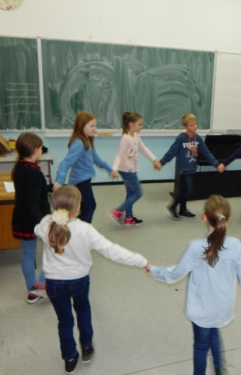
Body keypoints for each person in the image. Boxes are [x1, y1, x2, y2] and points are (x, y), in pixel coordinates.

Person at [145, 195, 241, 375]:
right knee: (214, 331)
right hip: (222, 308)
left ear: (204, 217)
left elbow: (174, 274)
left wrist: (154, 270)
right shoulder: (236, 245)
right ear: (229, 219)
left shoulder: (196, 248)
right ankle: (220, 369)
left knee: (201, 345)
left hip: (202, 310)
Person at [34, 186, 148, 375]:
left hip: (53, 283)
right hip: (78, 281)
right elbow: (112, 250)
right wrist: (141, 260)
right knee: (83, 310)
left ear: (53, 206)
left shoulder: (46, 223)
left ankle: (69, 357)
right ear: (77, 207)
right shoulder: (85, 229)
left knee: (64, 321)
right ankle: (87, 347)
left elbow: (37, 229)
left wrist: (47, 223)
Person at [54, 111, 118, 223]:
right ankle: (76, 230)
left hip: (83, 181)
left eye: (95, 126)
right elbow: (65, 163)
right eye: (92, 126)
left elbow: (96, 159)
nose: (95, 128)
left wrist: (110, 170)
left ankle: (78, 231)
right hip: (80, 183)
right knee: (89, 208)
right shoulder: (79, 143)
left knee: (87, 208)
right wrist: (59, 181)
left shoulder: (86, 141)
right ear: (82, 126)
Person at [11, 133, 51, 303]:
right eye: (41, 148)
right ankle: (40, 285)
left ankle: (31, 289)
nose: (42, 150)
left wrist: (47, 187)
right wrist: (43, 225)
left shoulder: (19, 167)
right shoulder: (35, 173)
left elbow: (31, 192)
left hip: (21, 218)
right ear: (35, 150)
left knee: (28, 255)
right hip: (35, 220)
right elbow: (33, 201)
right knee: (51, 252)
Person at [158, 113, 220, 220]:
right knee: (188, 191)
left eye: (195, 124)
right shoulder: (181, 139)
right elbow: (171, 152)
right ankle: (173, 206)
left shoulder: (198, 139)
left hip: (192, 168)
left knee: (184, 191)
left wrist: (216, 164)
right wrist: (162, 162)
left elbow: (206, 153)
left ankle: (183, 209)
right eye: (191, 125)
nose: (194, 126)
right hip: (183, 169)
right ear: (185, 127)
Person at [109, 111, 161, 226]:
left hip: (131, 169)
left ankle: (128, 218)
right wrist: (114, 169)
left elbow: (143, 148)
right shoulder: (126, 138)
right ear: (131, 124)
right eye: (140, 124)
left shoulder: (135, 135)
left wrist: (154, 159)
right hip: (127, 170)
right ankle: (118, 211)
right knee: (137, 193)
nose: (141, 127)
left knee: (131, 193)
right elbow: (119, 155)